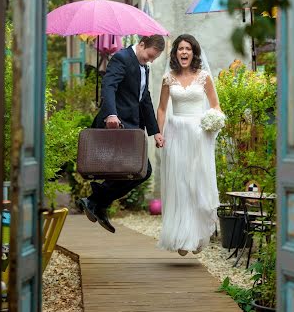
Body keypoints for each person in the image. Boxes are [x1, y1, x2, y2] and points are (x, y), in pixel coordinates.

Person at [76, 35, 165, 233]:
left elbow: (144, 99)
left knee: (141, 171)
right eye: (148, 56)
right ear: (141, 44)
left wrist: (155, 132)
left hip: (132, 128)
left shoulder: (144, 67)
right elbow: (109, 86)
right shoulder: (121, 58)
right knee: (142, 170)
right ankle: (97, 202)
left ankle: (96, 202)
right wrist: (111, 114)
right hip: (116, 125)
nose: (149, 61)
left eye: (153, 59)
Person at [157, 34, 220, 256]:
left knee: (197, 184)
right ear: (175, 53)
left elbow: (215, 107)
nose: (184, 52)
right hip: (175, 134)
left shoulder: (204, 77)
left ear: (194, 53)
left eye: (188, 49)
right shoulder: (168, 78)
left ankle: (199, 234)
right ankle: (181, 236)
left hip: (198, 135)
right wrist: (159, 133)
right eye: (180, 49)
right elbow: (162, 109)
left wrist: (213, 122)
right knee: (179, 184)